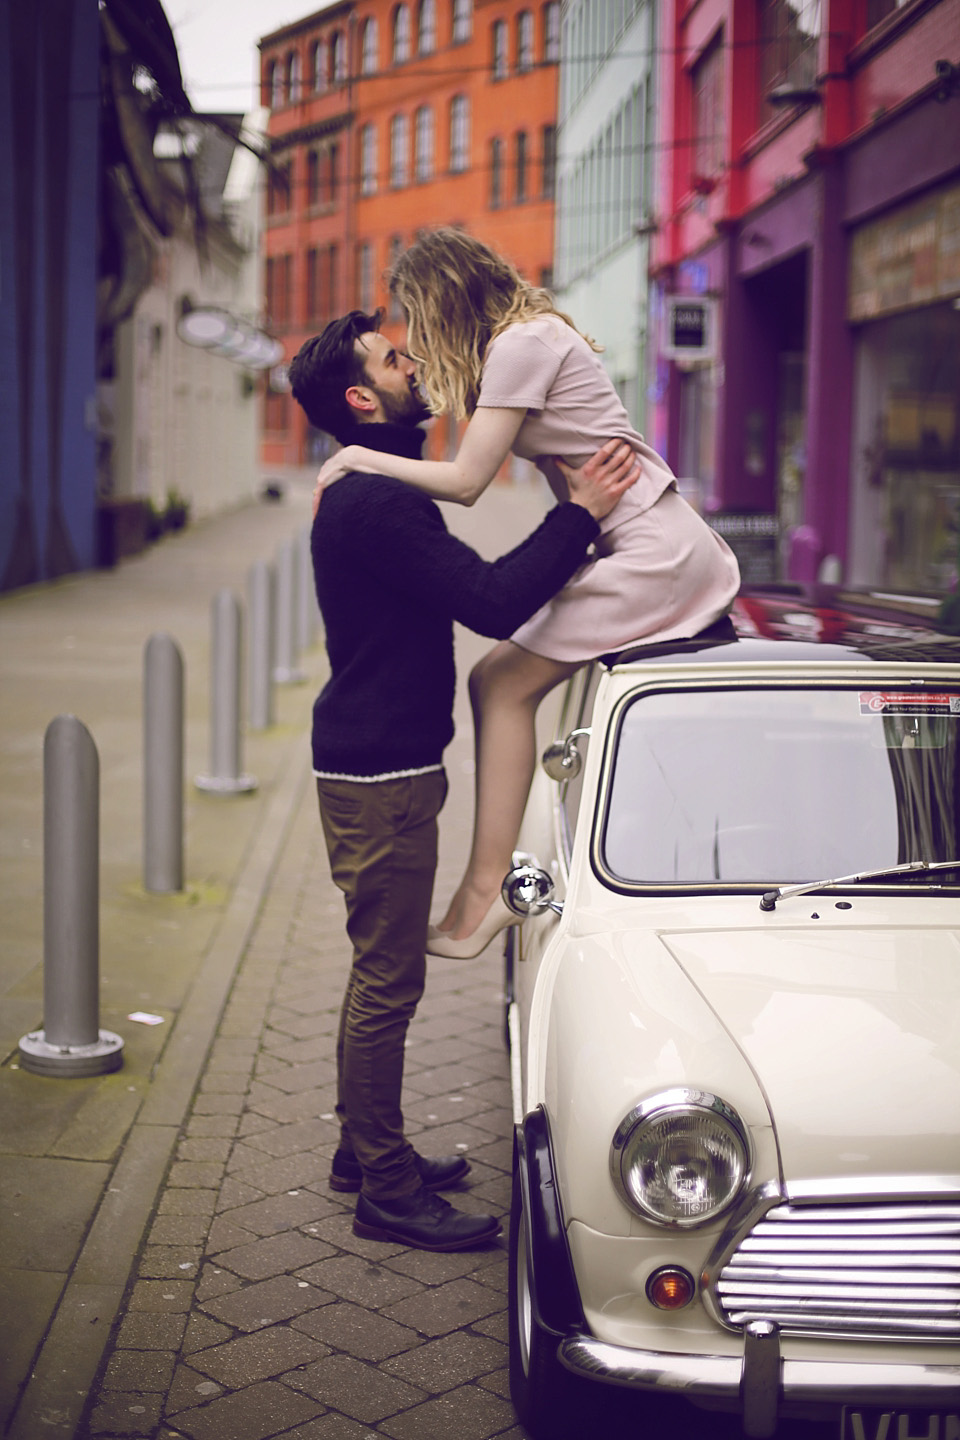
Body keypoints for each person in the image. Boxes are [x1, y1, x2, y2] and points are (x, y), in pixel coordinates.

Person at [288, 309, 637, 1251]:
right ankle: (385, 1190)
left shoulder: (376, 488)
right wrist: (581, 516)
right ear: (363, 397)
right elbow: (489, 598)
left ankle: (364, 1152)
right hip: (381, 775)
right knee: (388, 981)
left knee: (379, 975)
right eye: (396, 360)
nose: (416, 368)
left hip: (380, 762)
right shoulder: (377, 502)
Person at [313, 228, 741, 958]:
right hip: (641, 546)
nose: (413, 341)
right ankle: (485, 890)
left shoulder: (522, 346)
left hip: (653, 555)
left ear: (444, 298)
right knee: (502, 682)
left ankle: (485, 898)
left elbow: (468, 483)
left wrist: (356, 457)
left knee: (502, 683)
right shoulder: (522, 343)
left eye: (415, 319)